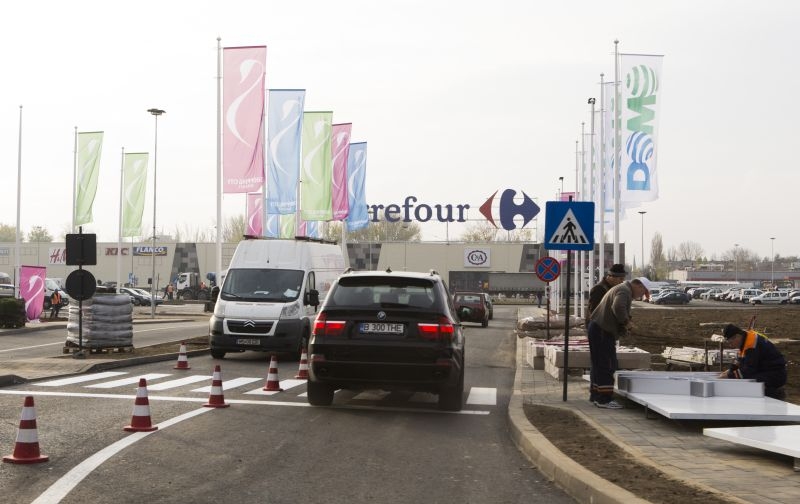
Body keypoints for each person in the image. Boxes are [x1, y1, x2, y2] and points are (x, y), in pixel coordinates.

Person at [587, 276, 652, 409]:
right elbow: (618, 307)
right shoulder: (624, 291)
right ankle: (604, 399)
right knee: (607, 364)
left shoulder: (622, 289)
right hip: (602, 331)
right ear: (639, 286)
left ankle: (596, 395)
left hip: (598, 328)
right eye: (642, 292)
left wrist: (622, 328)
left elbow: (615, 310)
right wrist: (627, 324)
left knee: (598, 363)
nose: (640, 296)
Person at [718, 324, 787, 400]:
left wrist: (729, 376)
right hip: (766, 371)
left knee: (748, 381)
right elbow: (739, 360)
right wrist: (730, 370)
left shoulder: (751, 345)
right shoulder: (745, 339)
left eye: (731, 342)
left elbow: (748, 370)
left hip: (775, 374)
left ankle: (772, 398)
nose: (731, 345)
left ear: (737, 336)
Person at [586, 263, 627, 328]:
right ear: (611, 277)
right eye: (621, 279)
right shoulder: (598, 289)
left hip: (606, 328)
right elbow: (594, 311)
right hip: (598, 328)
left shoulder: (612, 288)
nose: (622, 282)